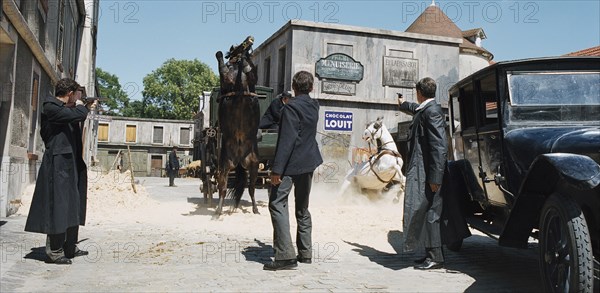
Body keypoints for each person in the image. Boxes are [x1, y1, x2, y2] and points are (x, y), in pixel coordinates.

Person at [25, 78, 95, 265]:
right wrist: (84, 107)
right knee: (59, 207)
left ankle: (70, 247)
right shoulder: (51, 107)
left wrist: (84, 106)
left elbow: (75, 115)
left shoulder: (68, 110)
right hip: (57, 165)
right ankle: (55, 252)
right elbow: (75, 115)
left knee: (73, 205)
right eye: (76, 94)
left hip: (71, 164)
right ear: (70, 93)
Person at [263, 71, 323, 271]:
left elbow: (286, 140)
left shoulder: (291, 108)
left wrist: (276, 170)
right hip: (309, 162)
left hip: (290, 165)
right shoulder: (314, 106)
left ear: (294, 87)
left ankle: (285, 256)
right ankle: (305, 253)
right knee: (302, 207)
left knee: (277, 204)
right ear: (312, 87)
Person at [397, 77, 448, 270]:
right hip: (425, 172)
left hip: (430, 173)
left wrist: (435, 178)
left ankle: (436, 257)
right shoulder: (427, 108)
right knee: (425, 211)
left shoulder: (432, 112)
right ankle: (430, 253)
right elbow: (416, 109)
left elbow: (439, 147)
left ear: (419, 92)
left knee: (431, 214)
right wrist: (403, 104)